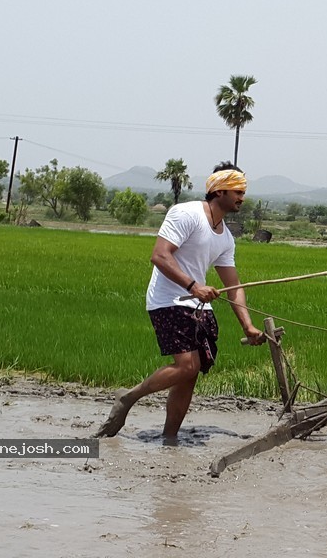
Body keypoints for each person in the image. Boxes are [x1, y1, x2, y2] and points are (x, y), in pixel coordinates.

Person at [95, 161, 265, 443]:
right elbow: (160, 255)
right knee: (187, 366)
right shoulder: (186, 214)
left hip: (198, 306)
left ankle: (170, 438)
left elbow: (233, 286)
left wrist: (248, 326)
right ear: (219, 190)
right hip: (168, 299)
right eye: (237, 191)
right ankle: (129, 397)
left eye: (243, 192)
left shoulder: (226, 238)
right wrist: (194, 285)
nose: (242, 197)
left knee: (190, 376)